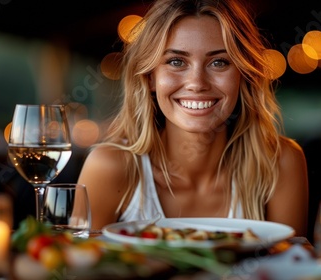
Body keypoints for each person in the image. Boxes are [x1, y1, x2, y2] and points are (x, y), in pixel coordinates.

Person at [77, 0, 309, 236]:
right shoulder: (109, 168)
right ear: (149, 77)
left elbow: (293, 266)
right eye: (176, 62)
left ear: (244, 76)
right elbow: (76, 267)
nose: (197, 83)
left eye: (219, 62)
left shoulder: (280, 164)